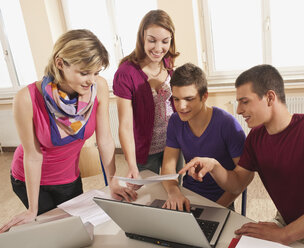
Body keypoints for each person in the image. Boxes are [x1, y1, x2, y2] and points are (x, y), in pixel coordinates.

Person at [180, 64, 304, 248]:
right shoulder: (256, 138)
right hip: (287, 224)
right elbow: (237, 184)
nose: (239, 110)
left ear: (269, 97)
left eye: (245, 101)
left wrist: (284, 235)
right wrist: (214, 166)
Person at [0, 29, 137, 233]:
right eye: (84, 72)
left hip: (68, 178)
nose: (91, 79)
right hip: (29, 179)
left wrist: (112, 182)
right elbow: (32, 156)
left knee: (77, 229)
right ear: (60, 63)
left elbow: (105, 139)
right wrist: (32, 209)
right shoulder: (26, 98)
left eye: (96, 72)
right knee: (52, 232)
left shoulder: (97, 87)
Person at [161, 63, 246, 211]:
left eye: (189, 99)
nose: (181, 106)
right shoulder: (175, 121)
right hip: (188, 195)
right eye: (176, 99)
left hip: (221, 200)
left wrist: (216, 208)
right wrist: (174, 192)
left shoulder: (227, 124)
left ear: (204, 96)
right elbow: (168, 165)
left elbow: (243, 179)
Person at [113, 9, 183, 179]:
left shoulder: (168, 62)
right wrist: (130, 164)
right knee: (149, 198)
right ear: (142, 38)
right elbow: (125, 125)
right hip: (146, 151)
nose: (159, 48)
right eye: (152, 40)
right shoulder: (126, 73)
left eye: (165, 41)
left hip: (173, 145)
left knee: (175, 192)